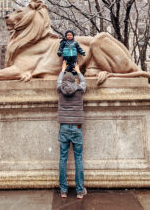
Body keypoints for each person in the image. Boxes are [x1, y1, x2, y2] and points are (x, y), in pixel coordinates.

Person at [57, 60, 87, 199]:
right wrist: (79, 71)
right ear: (73, 80)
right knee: (78, 158)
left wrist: (62, 70)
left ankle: (63, 190)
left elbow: (58, 81)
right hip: (76, 126)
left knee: (63, 158)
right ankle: (80, 191)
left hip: (63, 126)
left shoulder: (60, 89)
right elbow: (84, 82)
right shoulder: (79, 89)